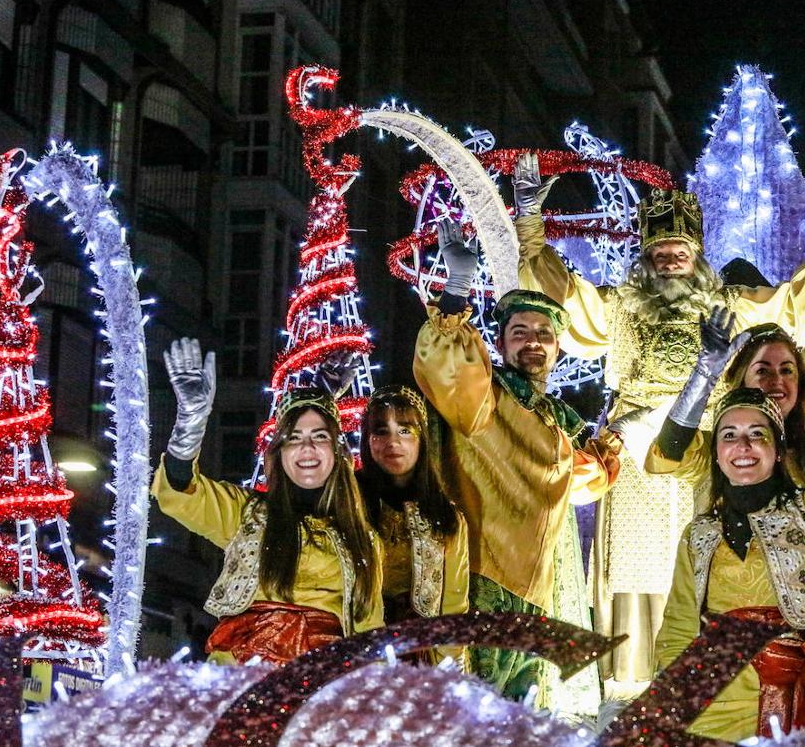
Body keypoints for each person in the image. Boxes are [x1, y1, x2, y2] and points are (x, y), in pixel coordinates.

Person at [513, 154, 805, 684]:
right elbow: (560, 300)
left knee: (710, 562)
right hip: (634, 457)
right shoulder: (619, 305)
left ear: (696, 255)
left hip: (707, 451)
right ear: (646, 258)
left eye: (680, 252)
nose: (671, 261)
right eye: (660, 253)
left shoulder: (729, 305)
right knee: (635, 571)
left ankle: (712, 677)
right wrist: (530, 228)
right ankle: (635, 682)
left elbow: (793, 308)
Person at [652, 313, 805, 741]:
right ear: (716, 452)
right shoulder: (700, 535)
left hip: (803, 674)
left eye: (758, 435)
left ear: (777, 449)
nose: (743, 447)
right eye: (729, 437)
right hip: (717, 690)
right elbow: (678, 625)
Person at [413, 219, 622, 702]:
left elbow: (582, 482)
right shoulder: (486, 399)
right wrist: (456, 289)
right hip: (480, 582)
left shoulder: (556, 422)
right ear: (502, 342)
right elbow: (447, 370)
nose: (533, 341)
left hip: (536, 597)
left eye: (544, 333)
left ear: (557, 347)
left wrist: (618, 437)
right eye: (520, 331)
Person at [152, 339, 382, 664]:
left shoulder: (362, 538)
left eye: (319, 437)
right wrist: (190, 422)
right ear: (279, 454)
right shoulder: (247, 514)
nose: (307, 448)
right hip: (242, 675)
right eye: (294, 438)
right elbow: (180, 491)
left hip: (325, 680)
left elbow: (371, 636)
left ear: (336, 452)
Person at [357, 385, 469, 632]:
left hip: (422, 645)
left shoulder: (446, 517)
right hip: (357, 645)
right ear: (367, 440)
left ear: (422, 439)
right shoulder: (348, 506)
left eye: (405, 430)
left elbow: (454, 608)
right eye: (381, 431)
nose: (393, 442)